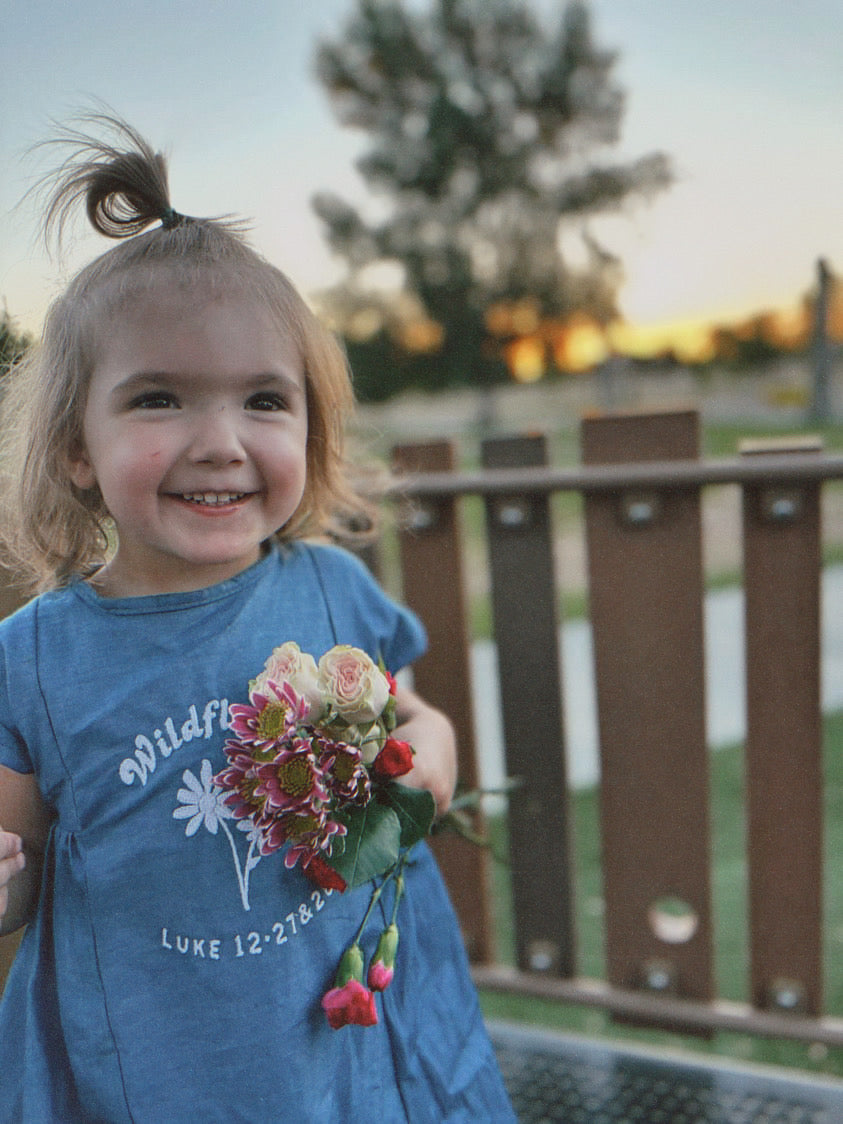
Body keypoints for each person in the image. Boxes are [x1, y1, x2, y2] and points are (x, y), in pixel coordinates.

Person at [0, 115, 515, 1123]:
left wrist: (429, 761)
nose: (221, 442)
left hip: (347, 1039)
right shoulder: (38, 659)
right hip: (147, 1073)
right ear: (75, 448)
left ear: (310, 426)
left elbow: (416, 720)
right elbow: (16, 885)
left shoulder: (330, 589)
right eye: (159, 398)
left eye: (264, 401)